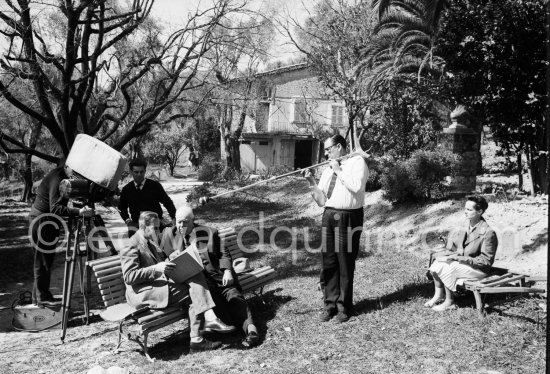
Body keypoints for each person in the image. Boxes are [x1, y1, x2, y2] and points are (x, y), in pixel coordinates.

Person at [120, 211, 236, 353]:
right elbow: (129, 276)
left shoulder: (149, 241)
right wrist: (156, 268)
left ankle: (200, 333)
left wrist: (170, 259)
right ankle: (201, 332)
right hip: (142, 293)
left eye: (158, 228)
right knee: (194, 291)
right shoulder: (131, 245)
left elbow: (160, 264)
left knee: (195, 277)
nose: (158, 231)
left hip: (156, 285)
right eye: (155, 228)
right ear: (144, 227)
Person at [161, 206, 260, 348]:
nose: (181, 225)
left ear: (193, 220)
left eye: (185, 222)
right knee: (223, 312)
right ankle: (233, 327)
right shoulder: (168, 236)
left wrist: (227, 271)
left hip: (218, 278)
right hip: (200, 286)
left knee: (234, 297)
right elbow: (162, 256)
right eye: (178, 222)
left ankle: (252, 331)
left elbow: (223, 253)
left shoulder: (208, 232)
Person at [303, 134, 369, 323]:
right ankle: (329, 304)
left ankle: (344, 307)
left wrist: (338, 170)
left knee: (345, 262)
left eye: (328, 149)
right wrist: (311, 183)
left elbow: (356, 187)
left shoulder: (357, 163)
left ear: (339, 147)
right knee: (329, 261)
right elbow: (322, 201)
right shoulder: (327, 169)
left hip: (348, 216)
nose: (325, 153)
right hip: (329, 216)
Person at [29, 163, 95, 305]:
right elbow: (55, 208)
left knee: (47, 260)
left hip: (48, 221)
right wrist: (79, 212)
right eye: (75, 171)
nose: (76, 175)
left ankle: (39, 297)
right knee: (42, 261)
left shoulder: (64, 176)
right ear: (67, 166)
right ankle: (42, 298)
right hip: (42, 221)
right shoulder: (57, 178)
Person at [426, 195, 498, 311]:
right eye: (465, 209)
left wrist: (461, 259)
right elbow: (457, 248)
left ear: (480, 211)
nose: (465, 212)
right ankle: (439, 295)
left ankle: (449, 302)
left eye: (469, 210)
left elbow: (486, 261)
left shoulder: (488, 233)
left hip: (479, 270)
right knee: (436, 265)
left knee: (450, 267)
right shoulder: (466, 226)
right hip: (466, 265)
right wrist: (445, 248)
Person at [118, 158, 176, 237]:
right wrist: (128, 221)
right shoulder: (127, 189)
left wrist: (174, 218)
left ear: (145, 171)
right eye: (136, 172)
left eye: (141, 172)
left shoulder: (155, 186)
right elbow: (121, 208)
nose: (139, 174)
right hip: (137, 226)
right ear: (131, 172)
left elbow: (167, 202)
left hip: (156, 226)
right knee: (135, 248)